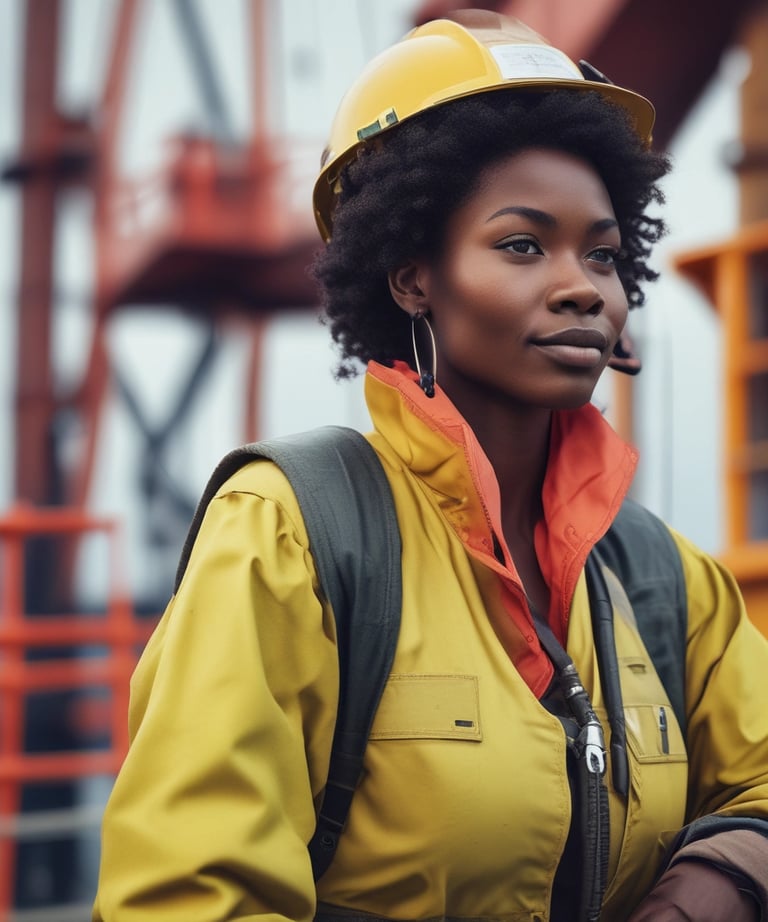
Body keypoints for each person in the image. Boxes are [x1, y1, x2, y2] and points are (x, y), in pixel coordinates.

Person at [92, 10, 768, 921]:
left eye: (602, 254)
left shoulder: (663, 579)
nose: (582, 284)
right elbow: (187, 895)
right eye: (522, 244)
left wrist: (710, 884)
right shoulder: (294, 533)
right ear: (413, 276)